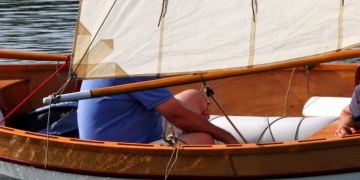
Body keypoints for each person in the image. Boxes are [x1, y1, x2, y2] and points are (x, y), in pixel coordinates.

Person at [76, 77, 238, 145]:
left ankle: (183, 137)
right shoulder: (134, 68)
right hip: (126, 149)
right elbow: (177, 117)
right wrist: (229, 139)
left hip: (134, 127)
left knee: (195, 97)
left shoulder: (120, 57)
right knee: (203, 140)